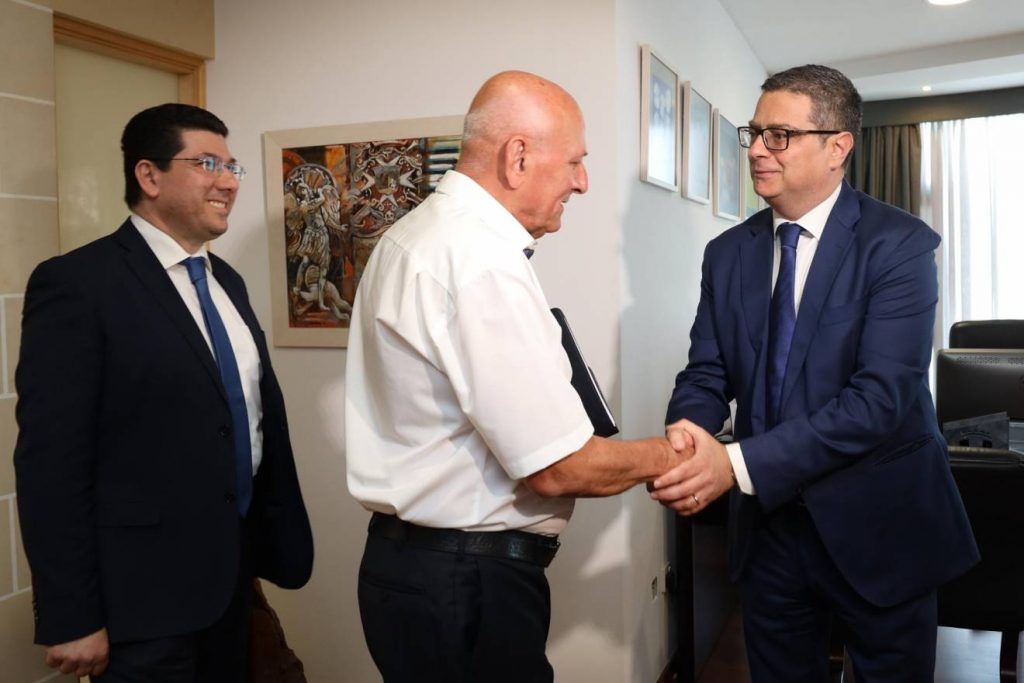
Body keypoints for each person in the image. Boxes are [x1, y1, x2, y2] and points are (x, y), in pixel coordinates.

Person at [345, 71, 685, 682]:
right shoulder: (476, 260)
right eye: (576, 162)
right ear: (518, 156)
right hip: (464, 585)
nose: (582, 182)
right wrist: (673, 456)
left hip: (418, 572)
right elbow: (557, 467)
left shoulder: (416, 237)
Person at [652, 64, 978, 682]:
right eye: (754, 132)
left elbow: (879, 400)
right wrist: (689, 433)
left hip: (880, 527)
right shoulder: (728, 253)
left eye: (779, 135)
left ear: (838, 147)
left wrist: (732, 464)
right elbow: (706, 370)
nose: (755, 149)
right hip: (769, 530)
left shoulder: (900, 245)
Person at [14, 103, 313, 682]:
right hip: (140, 604)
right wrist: (71, 614)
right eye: (207, 163)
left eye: (232, 167)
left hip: (231, 582)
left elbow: (240, 421)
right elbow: (51, 463)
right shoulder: (78, 285)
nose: (228, 181)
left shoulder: (227, 280)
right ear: (148, 176)